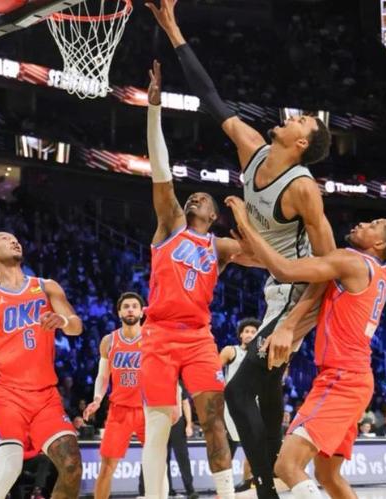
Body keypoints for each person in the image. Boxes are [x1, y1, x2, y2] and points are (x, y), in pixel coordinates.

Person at [146, 3, 335, 496]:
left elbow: (327, 268)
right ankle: (283, 485)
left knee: (236, 390)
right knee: (267, 392)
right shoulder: (252, 147)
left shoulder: (303, 189)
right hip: (275, 282)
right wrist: (172, 27)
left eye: (304, 120)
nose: (294, 116)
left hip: (299, 292)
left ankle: (268, 487)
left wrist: (293, 324)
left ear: (302, 144)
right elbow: (210, 95)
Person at [226, 196, 386, 499]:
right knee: (328, 475)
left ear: (379, 244)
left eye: (373, 225)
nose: (363, 223)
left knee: (286, 466)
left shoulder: (351, 261)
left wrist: (245, 222)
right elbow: (306, 272)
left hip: (341, 379)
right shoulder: (380, 271)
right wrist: (253, 254)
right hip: (358, 378)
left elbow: (285, 270)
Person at [140, 59, 258, 499]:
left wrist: (244, 221)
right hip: (158, 334)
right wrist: (154, 110)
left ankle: (226, 494)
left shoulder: (220, 247)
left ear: (214, 215)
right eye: (194, 196)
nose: (197, 198)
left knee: (213, 420)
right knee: (158, 425)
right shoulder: (170, 224)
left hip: (196, 338)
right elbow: (161, 170)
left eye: (204, 198)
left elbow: (263, 257)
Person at [0, 232, 83, 499]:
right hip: (6, 395)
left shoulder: (46, 286)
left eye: (15, 239)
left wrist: (62, 321)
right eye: (5, 239)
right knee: (8, 469)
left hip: (45, 396)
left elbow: (76, 325)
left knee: (72, 465)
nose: (14, 241)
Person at [82, 292, 169, 499]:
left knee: (158, 463)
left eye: (134, 306)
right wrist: (97, 399)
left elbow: (166, 373)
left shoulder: (153, 339)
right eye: (126, 306)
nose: (130, 309)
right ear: (119, 312)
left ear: (141, 312)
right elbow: (103, 376)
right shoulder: (109, 341)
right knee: (107, 466)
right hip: (119, 410)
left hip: (148, 409)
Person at [219, 318, 260, 492]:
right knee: (228, 447)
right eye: (246, 331)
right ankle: (223, 486)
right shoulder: (231, 350)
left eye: (253, 332)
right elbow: (214, 371)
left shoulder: (261, 355)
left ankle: (247, 481)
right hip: (231, 405)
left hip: (253, 404)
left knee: (253, 446)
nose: (249, 334)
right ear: (241, 335)